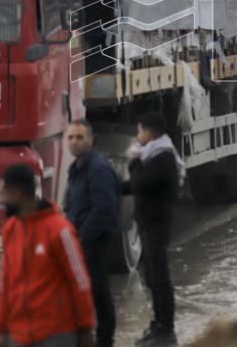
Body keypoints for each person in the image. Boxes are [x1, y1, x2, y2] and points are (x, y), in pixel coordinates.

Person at [0, 164, 95, 347]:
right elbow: (6, 282)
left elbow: (79, 279)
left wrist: (86, 327)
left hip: (57, 333)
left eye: (3, 193)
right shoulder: (10, 230)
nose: (1, 201)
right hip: (20, 335)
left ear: (17, 193)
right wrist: (2, 329)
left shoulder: (59, 229)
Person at [123, 112, 185, 346]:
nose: (138, 136)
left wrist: (134, 161)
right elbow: (137, 185)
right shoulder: (156, 155)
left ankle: (166, 329)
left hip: (157, 224)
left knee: (159, 277)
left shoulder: (162, 157)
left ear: (149, 132)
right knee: (151, 276)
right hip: (150, 223)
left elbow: (140, 184)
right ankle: (158, 324)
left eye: (140, 131)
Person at [64, 120, 121, 347]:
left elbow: (105, 207)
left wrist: (83, 235)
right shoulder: (77, 168)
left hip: (95, 240)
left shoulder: (98, 168)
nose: (74, 142)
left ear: (91, 140)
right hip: (82, 239)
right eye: (71, 137)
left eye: (79, 137)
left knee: (98, 291)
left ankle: (105, 340)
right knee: (86, 292)